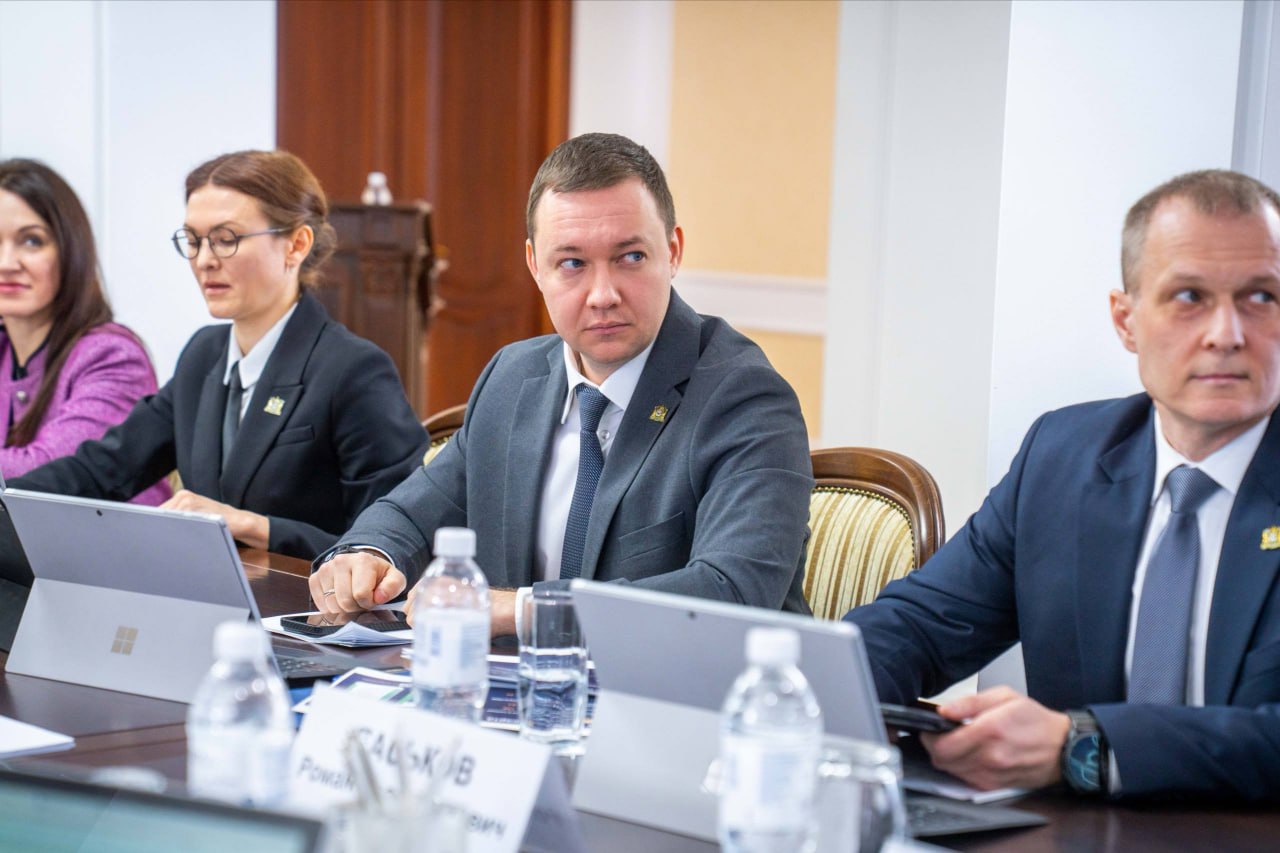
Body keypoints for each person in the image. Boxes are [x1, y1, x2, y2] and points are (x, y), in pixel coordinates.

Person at [845, 169, 1280, 802]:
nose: (1226, 334)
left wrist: (1084, 746)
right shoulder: (1063, 456)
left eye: (1261, 297)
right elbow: (920, 625)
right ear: (1126, 321)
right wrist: (826, 687)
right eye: (1189, 296)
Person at [309, 132, 813, 634]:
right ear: (535, 266)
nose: (602, 295)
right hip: (510, 683)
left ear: (673, 251)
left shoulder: (744, 398)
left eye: (630, 257)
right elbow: (412, 512)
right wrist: (366, 554)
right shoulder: (513, 377)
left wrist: (523, 610)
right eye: (572, 264)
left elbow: (733, 593)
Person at [12, 150, 427, 559]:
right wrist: (6, 497)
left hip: (302, 600)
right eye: (193, 241)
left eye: (227, 240)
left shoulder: (353, 370)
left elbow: (398, 539)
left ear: (296, 245)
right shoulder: (204, 355)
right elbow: (102, 469)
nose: (205, 261)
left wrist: (254, 526)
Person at [0, 159, 168, 504]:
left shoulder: (113, 356)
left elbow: (48, 476)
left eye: (31, 241)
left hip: (106, 539)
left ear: (70, 250)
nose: (7, 263)